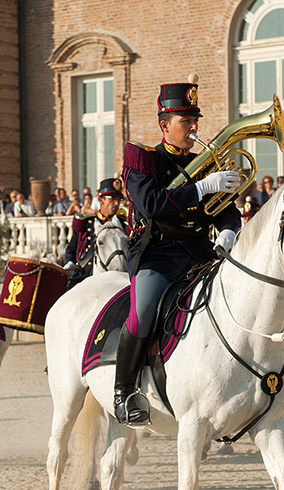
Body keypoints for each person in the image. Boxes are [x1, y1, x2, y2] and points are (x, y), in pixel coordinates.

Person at [115, 77, 242, 425]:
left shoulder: (206, 163)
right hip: (158, 254)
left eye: (194, 120)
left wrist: (230, 229)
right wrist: (200, 189)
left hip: (200, 253)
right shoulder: (143, 161)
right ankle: (123, 392)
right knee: (141, 314)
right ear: (164, 125)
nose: (193, 127)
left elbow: (226, 206)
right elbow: (153, 205)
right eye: (186, 121)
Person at [64, 177, 125, 287]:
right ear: (101, 200)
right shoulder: (87, 223)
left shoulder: (123, 225)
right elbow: (71, 249)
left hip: (118, 279)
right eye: (112, 199)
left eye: (119, 199)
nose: (116, 203)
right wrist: (70, 263)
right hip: (86, 278)